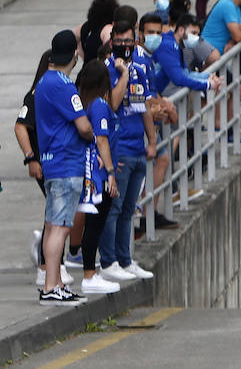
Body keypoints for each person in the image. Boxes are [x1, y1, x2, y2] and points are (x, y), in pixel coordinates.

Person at [34, 30, 93, 305]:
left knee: (52, 226)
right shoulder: (64, 85)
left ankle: (55, 282)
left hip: (50, 161)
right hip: (67, 162)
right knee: (60, 228)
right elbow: (83, 126)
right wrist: (92, 134)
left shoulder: (43, 82)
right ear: (74, 55)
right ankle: (51, 287)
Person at [98, 20, 156, 283]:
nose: (124, 45)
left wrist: (152, 141)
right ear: (112, 43)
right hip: (118, 149)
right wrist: (122, 73)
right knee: (114, 208)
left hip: (137, 148)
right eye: (119, 41)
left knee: (129, 209)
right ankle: (108, 261)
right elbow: (112, 103)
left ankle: (125, 259)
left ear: (135, 41)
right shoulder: (106, 70)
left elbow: (144, 106)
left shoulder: (140, 69)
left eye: (128, 41)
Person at [13, 50, 73, 289]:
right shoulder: (36, 94)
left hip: (58, 161)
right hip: (45, 162)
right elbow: (20, 127)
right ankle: (46, 266)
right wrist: (31, 158)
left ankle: (51, 263)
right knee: (56, 214)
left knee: (55, 214)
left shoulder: (58, 90)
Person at [74, 59, 120, 296]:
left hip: (92, 170)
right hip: (99, 175)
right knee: (95, 224)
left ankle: (91, 271)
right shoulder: (100, 105)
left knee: (93, 224)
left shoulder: (85, 102)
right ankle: (89, 274)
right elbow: (101, 139)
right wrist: (111, 173)